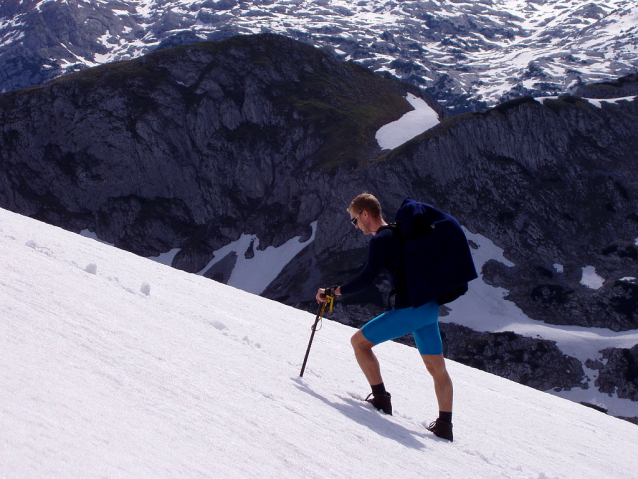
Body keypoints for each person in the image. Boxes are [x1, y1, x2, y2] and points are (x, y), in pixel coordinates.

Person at [316, 193, 455, 441]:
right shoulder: (401, 232)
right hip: (429, 308)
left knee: (359, 343)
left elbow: (366, 279)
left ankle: (380, 398)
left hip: (409, 311)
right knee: (437, 368)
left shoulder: (382, 240)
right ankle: (445, 425)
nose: (355, 226)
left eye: (354, 221)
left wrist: (333, 292)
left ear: (365, 214)